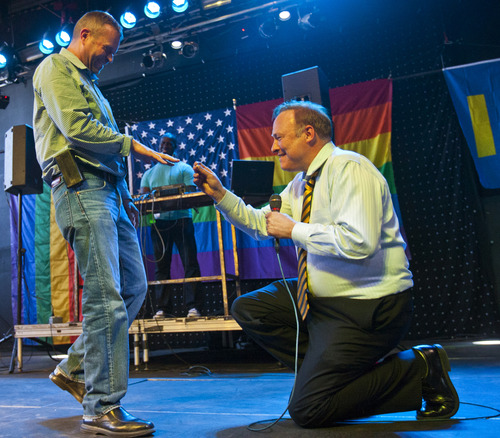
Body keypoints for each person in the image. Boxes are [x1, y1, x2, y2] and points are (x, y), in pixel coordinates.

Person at [193, 100, 459, 427]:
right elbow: (263, 223)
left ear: (308, 134)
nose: (272, 147)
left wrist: (295, 229)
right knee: (251, 309)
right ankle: (338, 374)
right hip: (322, 300)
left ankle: (418, 368)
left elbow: (358, 242)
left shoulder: (350, 169)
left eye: (279, 138)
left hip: (368, 306)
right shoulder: (303, 183)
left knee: (310, 409)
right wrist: (221, 195)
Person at [33, 11, 178, 437]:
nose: (110, 59)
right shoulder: (54, 68)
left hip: (111, 192)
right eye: (106, 50)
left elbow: (103, 147)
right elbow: (76, 130)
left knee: (133, 288)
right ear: (84, 35)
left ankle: (76, 367)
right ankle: (101, 407)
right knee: (105, 298)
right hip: (81, 189)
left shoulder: (93, 85)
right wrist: (135, 146)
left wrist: (127, 195)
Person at [139, 133, 203, 318]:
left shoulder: (184, 168)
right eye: (162, 143)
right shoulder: (149, 174)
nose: (165, 146)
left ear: (175, 147)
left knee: (190, 263)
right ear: (159, 147)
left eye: (169, 143)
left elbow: (191, 191)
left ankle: (193, 307)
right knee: (161, 267)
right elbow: (143, 197)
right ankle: (162, 309)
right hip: (159, 224)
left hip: (182, 220)